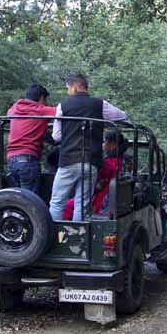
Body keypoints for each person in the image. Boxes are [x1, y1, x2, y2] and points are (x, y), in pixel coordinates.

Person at [48, 73, 126, 222]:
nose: (68, 92)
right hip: (91, 162)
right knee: (82, 205)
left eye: (68, 88)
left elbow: (56, 136)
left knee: (57, 202)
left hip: (68, 161)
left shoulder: (63, 106)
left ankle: (54, 240)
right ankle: (79, 241)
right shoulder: (100, 105)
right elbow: (121, 116)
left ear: (75, 87)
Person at [5, 84, 57, 192]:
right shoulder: (41, 110)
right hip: (27, 161)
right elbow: (62, 111)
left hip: (11, 161)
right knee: (30, 203)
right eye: (45, 100)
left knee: (19, 201)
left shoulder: (14, 108)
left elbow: (8, 114)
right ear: (41, 98)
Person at [61, 130, 122, 220]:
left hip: (101, 199)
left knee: (66, 206)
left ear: (113, 145)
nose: (102, 145)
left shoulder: (108, 164)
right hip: (110, 196)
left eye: (104, 142)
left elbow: (98, 186)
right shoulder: (121, 160)